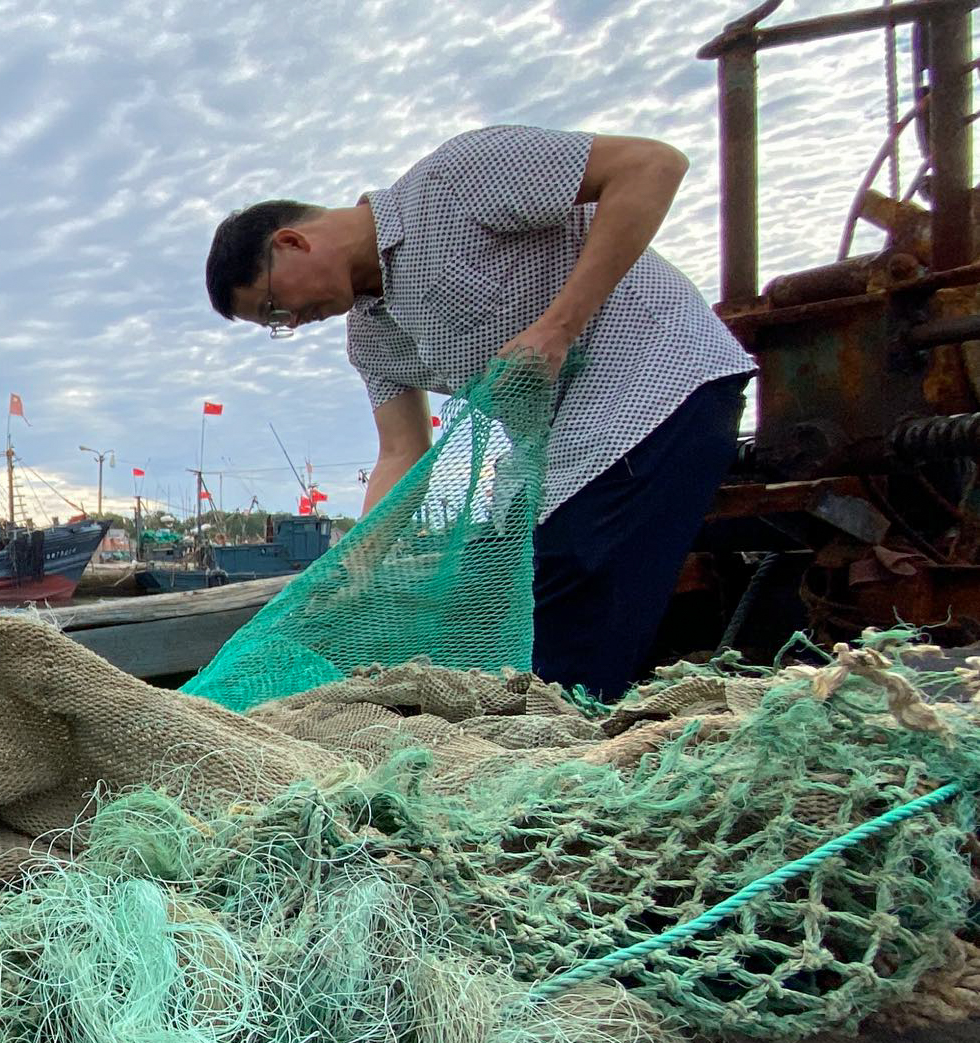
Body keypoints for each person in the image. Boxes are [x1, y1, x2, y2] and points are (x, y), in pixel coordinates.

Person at [202, 126, 757, 700]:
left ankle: (573, 730)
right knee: (478, 591)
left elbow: (652, 164)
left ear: (292, 242)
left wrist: (558, 327)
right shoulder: (370, 339)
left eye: (274, 307)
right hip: (555, 455)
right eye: (276, 324)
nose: (291, 322)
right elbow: (401, 453)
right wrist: (354, 563)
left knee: (567, 599)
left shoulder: (453, 179)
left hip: (661, 388)